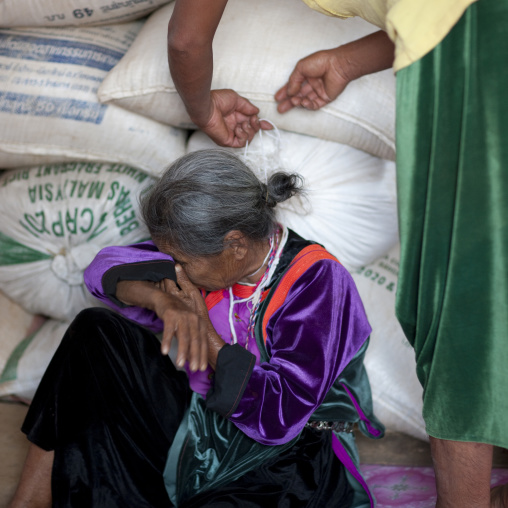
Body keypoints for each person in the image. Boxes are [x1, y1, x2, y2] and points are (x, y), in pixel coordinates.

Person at [166, 1, 508, 507]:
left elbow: (186, 41)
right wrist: (348, 63)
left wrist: (200, 107)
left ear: (238, 241)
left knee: (458, 305)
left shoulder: (313, 281)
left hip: (474, 51)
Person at [9, 149, 384, 508]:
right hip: (202, 427)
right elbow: (100, 271)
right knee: (95, 331)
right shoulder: (202, 259)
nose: (175, 269)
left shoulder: (317, 281)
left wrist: (207, 337)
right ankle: (28, 501)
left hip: (292, 451)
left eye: (181, 261)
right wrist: (163, 301)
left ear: (234, 244)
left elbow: (280, 414)